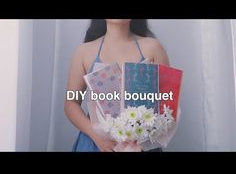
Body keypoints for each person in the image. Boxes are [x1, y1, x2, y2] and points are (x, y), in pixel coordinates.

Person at [64, 19, 169, 152]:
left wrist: (143, 136)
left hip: (142, 145)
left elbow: (168, 101)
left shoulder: (153, 48)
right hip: (96, 144)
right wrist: (95, 135)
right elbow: (71, 103)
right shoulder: (84, 52)